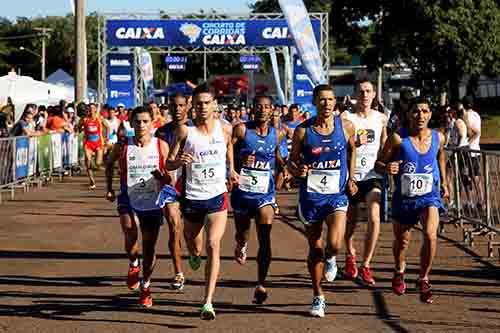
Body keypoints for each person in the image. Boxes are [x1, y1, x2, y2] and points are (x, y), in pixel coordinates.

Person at [163, 83, 236, 320]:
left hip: (217, 197)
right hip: (192, 197)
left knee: (214, 245)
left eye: (207, 103)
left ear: (215, 105)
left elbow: (228, 150)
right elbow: (169, 163)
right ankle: (194, 255)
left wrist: (232, 171)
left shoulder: (225, 130)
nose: (203, 107)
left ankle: (208, 302)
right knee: (195, 246)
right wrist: (179, 162)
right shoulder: (185, 131)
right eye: (199, 103)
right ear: (193, 106)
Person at [288, 84, 357, 318]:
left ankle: (332, 257)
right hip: (311, 197)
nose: (326, 104)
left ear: (335, 102)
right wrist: (299, 171)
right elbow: (291, 162)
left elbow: (352, 150)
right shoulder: (303, 131)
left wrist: (352, 177)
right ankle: (318, 296)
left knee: (335, 243)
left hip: (336, 195)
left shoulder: (346, 126)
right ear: (314, 102)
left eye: (330, 99)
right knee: (315, 247)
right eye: (321, 100)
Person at [375, 96, 449, 304]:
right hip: (405, 198)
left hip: (429, 196)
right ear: (408, 114)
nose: (421, 115)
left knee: (430, 234)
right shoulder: (398, 138)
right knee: (402, 241)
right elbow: (378, 163)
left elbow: (440, 156)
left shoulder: (438, 137)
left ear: (430, 114)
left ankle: (423, 278)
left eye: (425, 111)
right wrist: (387, 167)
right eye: (416, 111)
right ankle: (399, 270)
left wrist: (444, 182)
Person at [105, 106, 169, 308]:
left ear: (152, 123)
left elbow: (168, 177)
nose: (141, 125)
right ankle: (133, 263)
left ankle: (146, 285)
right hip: (128, 199)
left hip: (152, 202)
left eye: (145, 121)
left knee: (149, 248)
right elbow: (109, 164)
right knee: (130, 232)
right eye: (137, 121)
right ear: (131, 123)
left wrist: (163, 177)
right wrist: (109, 188)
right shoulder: (123, 145)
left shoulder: (161, 146)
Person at [231, 94, 284, 304]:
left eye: (267, 107)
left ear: (272, 110)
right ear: (252, 109)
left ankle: (261, 283)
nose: (263, 110)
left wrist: (284, 171)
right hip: (243, 193)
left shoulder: (278, 134)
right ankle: (241, 244)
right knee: (243, 233)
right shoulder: (242, 130)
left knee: (265, 236)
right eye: (258, 106)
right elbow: (228, 155)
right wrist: (239, 160)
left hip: (265, 194)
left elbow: (279, 158)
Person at [342, 80, 388, 286]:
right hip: (352, 176)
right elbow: (340, 145)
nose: (365, 95)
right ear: (354, 94)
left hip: (373, 175)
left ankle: (366, 265)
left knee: (374, 217)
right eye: (361, 91)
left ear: (374, 94)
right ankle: (350, 254)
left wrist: (388, 164)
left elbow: (385, 145)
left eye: (368, 91)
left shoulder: (381, 118)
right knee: (350, 222)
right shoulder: (346, 117)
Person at [154, 94, 192, 291]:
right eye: (173, 105)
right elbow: (156, 158)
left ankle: (193, 251)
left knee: (195, 242)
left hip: (195, 187)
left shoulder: (196, 129)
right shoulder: (161, 132)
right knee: (173, 225)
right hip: (170, 187)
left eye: (181, 105)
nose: (177, 109)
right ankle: (178, 272)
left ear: (188, 106)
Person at [77, 103, 110, 189]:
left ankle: (100, 167)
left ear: (95, 109)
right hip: (88, 143)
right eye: (89, 108)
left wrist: (107, 138)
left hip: (98, 143)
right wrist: (80, 129)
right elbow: (78, 128)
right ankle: (92, 181)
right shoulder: (84, 119)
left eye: (93, 108)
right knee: (88, 160)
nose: (91, 110)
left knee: (98, 163)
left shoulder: (99, 118)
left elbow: (107, 127)